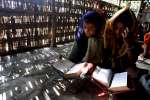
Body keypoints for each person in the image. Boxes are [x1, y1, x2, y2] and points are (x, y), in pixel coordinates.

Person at [103, 6, 145, 78]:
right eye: (116, 28)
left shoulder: (132, 42)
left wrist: (128, 43)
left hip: (121, 74)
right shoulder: (108, 37)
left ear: (128, 30)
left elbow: (130, 62)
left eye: (121, 29)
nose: (117, 32)